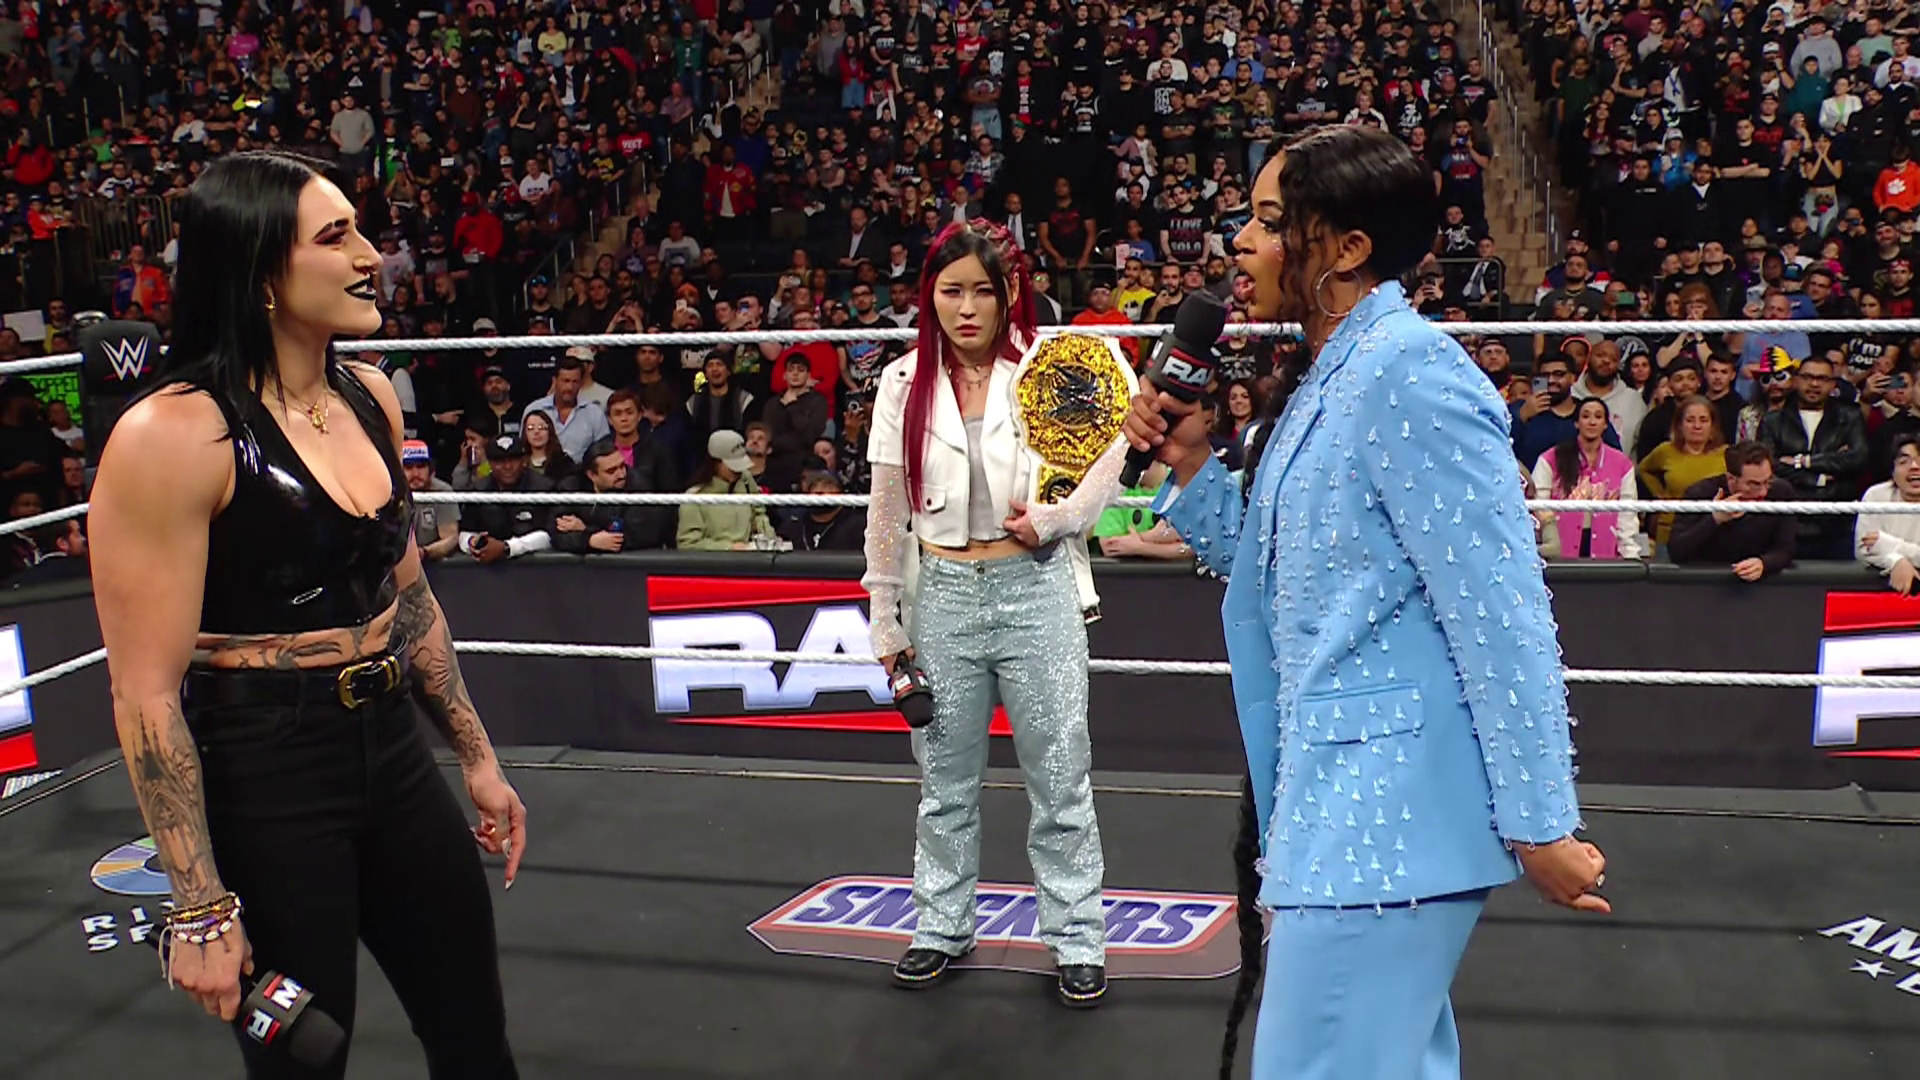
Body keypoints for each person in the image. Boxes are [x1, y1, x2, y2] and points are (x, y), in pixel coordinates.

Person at [1119, 125, 1608, 1080]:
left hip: (1383, 818)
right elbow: (1277, 572)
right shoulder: (1334, 372)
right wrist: (1190, 462)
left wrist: (1542, 819)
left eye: (1271, 222)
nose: (1241, 242)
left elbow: (1502, 613)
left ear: (1346, 248)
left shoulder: (1410, 372)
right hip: (1343, 802)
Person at [86, 151, 525, 1079]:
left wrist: (478, 758)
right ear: (260, 273)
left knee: (476, 1036)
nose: (371, 257)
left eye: (360, 231)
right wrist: (198, 909)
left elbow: (410, 599)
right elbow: (145, 693)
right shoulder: (174, 435)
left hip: (391, 747)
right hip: (266, 768)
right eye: (336, 238)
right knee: (303, 1062)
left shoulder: (368, 394)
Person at [861, 217, 1124, 1007]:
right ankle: (941, 924)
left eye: (982, 290)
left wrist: (1059, 517)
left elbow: (1111, 453)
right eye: (952, 291)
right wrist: (884, 615)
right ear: (930, 295)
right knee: (944, 779)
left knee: (1060, 775)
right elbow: (886, 508)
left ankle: (1077, 936)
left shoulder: (1052, 366)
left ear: (1010, 293)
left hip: (1036, 586)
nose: (968, 307)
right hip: (941, 592)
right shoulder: (902, 381)